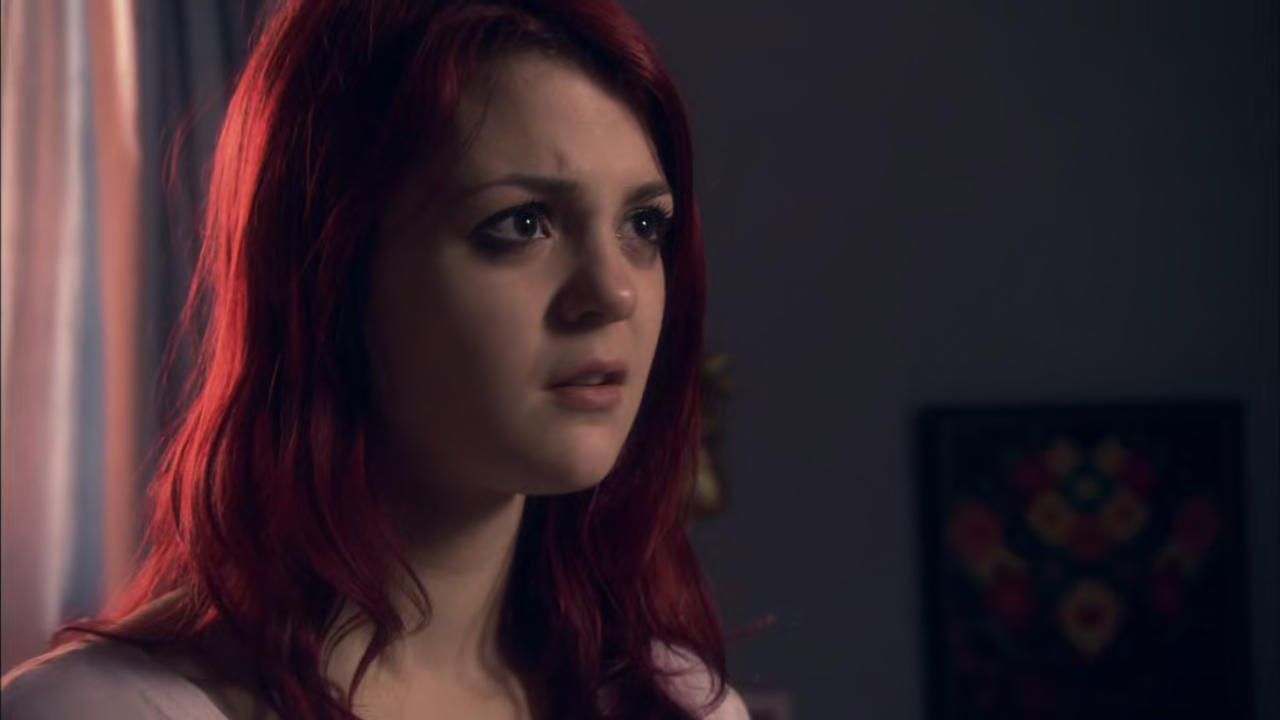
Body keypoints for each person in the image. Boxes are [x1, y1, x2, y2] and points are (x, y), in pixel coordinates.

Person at [0, 0, 750, 718]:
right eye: (522, 223)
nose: (615, 292)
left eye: (643, 225)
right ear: (330, 273)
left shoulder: (685, 705)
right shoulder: (96, 711)